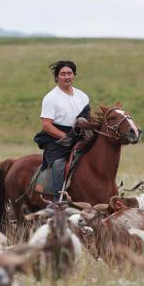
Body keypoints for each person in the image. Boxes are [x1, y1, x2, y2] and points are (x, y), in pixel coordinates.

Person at [34, 60, 92, 198]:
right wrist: (67, 138)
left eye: (70, 73)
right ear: (57, 77)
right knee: (59, 164)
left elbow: (87, 118)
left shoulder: (82, 96)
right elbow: (46, 125)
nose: (67, 77)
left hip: (81, 136)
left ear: (74, 75)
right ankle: (57, 199)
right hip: (58, 140)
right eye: (63, 74)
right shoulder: (51, 98)